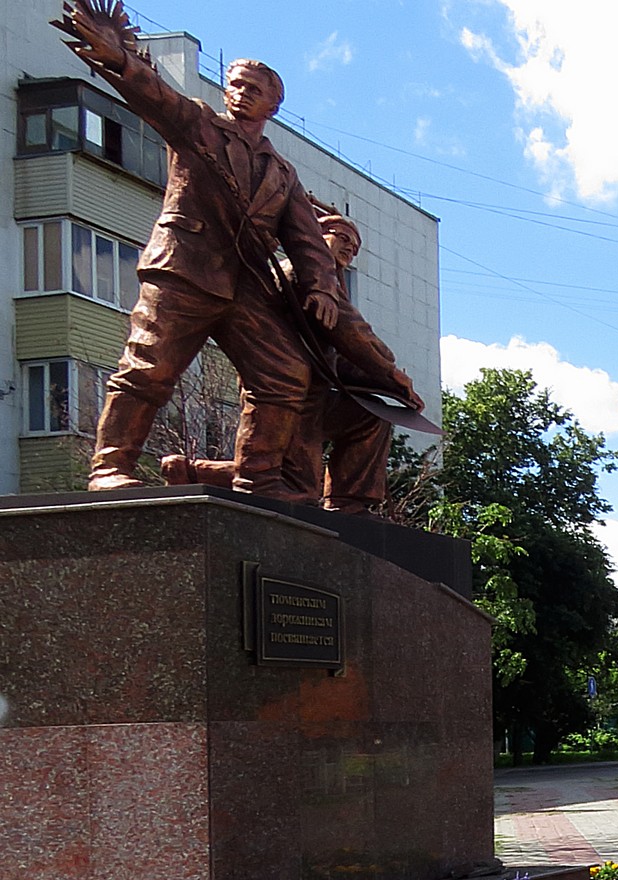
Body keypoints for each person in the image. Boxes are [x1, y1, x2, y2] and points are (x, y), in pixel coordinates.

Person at [56, 0, 343, 497]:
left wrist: (323, 288)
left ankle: (258, 477)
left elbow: (306, 238)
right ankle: (110, 466)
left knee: (285, 374)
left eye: (253, 90)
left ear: (273, 105)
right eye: (235, 85)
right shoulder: (199, 125)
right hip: (184, 270)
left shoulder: (282, 172)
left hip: (244, 285)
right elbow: (155, 96)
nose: (239, 94)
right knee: (149, 367)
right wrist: (119, 59)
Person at [160, 206, 425, 512]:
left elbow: (336, 359)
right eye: (343, 237)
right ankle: (190, 471)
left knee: (369, 418)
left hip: (314, 394)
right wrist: (388, 370)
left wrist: (391, 387)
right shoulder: (304, 273)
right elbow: (349, 330)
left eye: (355, 247)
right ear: (316, 236)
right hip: (283, 391)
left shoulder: (331, 282)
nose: (350, 248)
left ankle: (349, 501)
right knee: (297, 487)